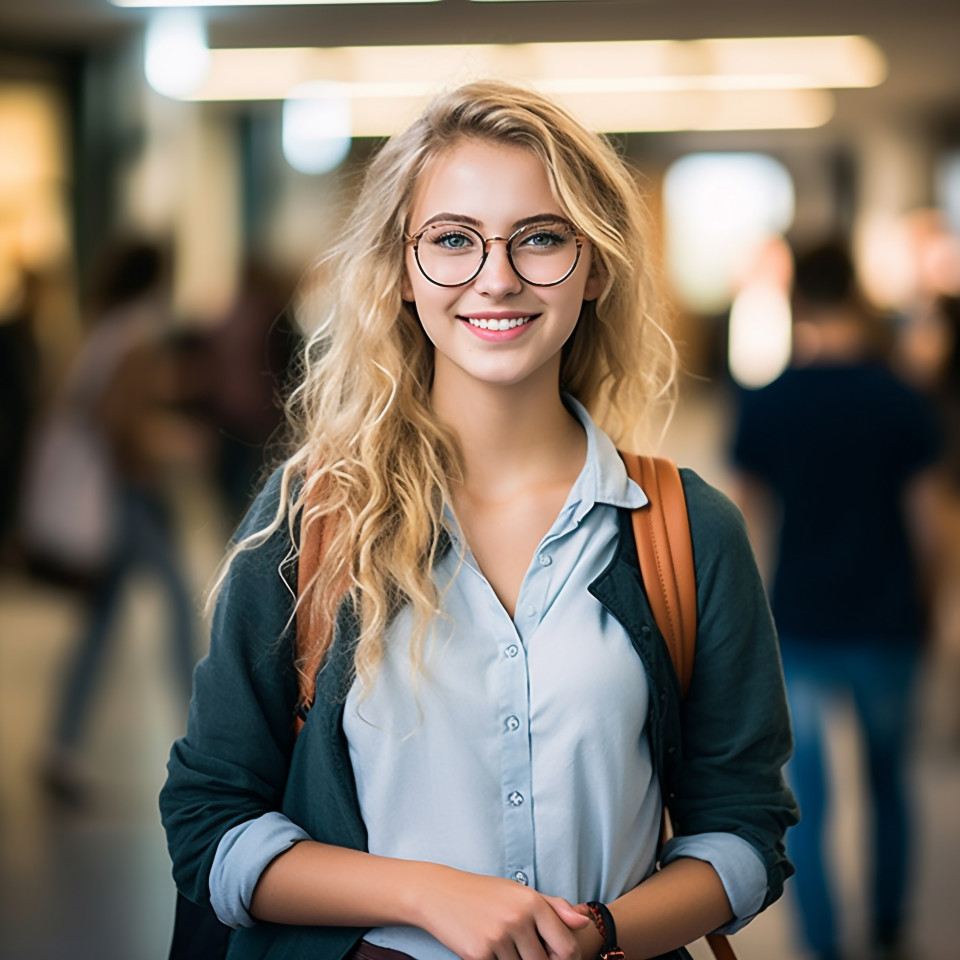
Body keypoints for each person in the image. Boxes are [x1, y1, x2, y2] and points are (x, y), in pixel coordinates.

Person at [160, 80, 797, 960]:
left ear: (596, 266)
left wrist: (602, 937)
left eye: (540, 238)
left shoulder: (686, 530)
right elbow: (209, 823)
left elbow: (744, 831)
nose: (496, 277)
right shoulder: (314, 519)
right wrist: (432, 897)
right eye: (453, 240)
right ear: (402, 271)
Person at [731, 241, 942, 960]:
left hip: (804, 625)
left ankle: (823, 945)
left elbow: (741, 520)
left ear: (799, 300)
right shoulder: (902, 398)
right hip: (888, 624)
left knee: (807, 804)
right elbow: (928, 525)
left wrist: (746, 624)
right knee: (889, 782)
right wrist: (930, 608)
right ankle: (888, 927)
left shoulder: (769, 400)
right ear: (854, 293)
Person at [38, 239, 199, 803]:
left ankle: (61, 748)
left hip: (110, 499)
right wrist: (165, 449)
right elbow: (120, 421)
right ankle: (208, 742)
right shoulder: (136, 336)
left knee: (101, 625)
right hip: (126, 500)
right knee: (180, 606)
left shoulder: (103, 327)